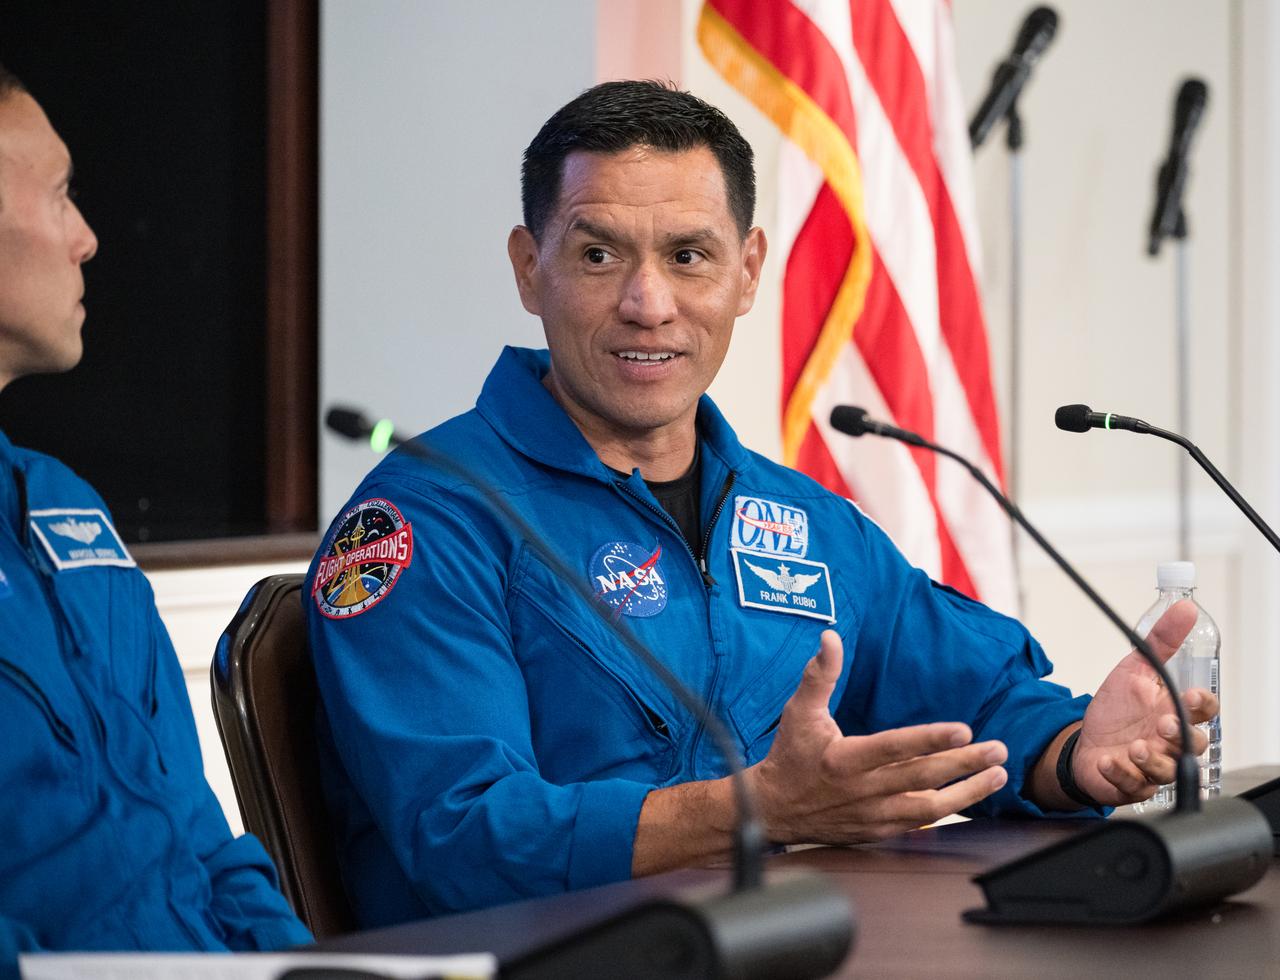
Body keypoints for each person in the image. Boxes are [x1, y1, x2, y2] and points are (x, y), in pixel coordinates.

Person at [306, 80, 1215, 926]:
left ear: (746, 273)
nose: (648, 303)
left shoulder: (800, 519)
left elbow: (975, 701)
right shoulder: (429, 519)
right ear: (528, 267)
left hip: (775, 941)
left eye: (689, 256)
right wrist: (755, 811)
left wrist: (1073, 752)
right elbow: (464, 836)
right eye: (597, 254)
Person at [0, 63, 310, 974]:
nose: (88, 239)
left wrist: (298, 967)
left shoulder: (66, 508)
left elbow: (203, 837)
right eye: (59, 195)